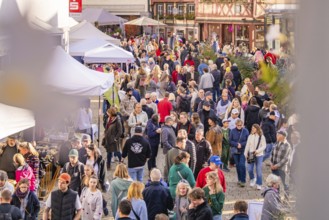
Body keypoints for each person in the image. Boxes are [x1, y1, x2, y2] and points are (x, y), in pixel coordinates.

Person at [244, 124, 266, 190]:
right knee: (249, 168)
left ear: (257, 129)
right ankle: (252, 178)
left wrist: (258, 151)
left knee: (258, 169)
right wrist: (245, 153)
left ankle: (259, 183)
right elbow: (247, 145)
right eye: (252, 128)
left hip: (259, 155)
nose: (252, 129)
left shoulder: (261, 137)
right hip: (251, 154)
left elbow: (264, 146)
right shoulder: (250, 136)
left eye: (253, 128)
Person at [229, 119, 249, 187]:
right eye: (238, 125)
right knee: (237, 165)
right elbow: (230, 141)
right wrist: (236, 144)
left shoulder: (245, 131)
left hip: (243, 150)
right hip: (235, 150)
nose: (239, 126)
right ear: (236, 125)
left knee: (242, 165)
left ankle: (243, 180)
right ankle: (239, 179)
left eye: (241, 125)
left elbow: (248, 141)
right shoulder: (232, 131)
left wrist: (241, 144)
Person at [270, 130, 291, 195]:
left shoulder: (287, 145)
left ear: (283, 136)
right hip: (274, 168)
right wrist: (271, 164)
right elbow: (272, 154)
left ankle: (286, 197)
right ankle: (276, 197)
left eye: (278, 135)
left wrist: (276, 166)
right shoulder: (277, 143)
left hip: (282, 168)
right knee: (275, 183)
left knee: (285, 184)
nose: (276, 136)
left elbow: (286, 158)